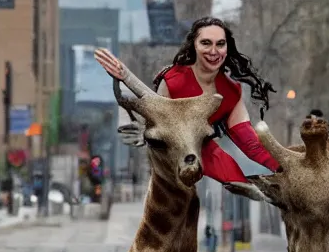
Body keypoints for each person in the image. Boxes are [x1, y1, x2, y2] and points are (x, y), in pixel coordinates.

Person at [95, 16, 280, 183]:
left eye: (220, 44)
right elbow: (157, 115)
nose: (214, 51)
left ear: (227, 47)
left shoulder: (232, 92)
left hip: (205, 151)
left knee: (239, 184)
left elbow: (251, 145)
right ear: (194, 45)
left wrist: (285, 169)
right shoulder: (173, 81)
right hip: (174, 159)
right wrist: (125, 76)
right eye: (206, 43)